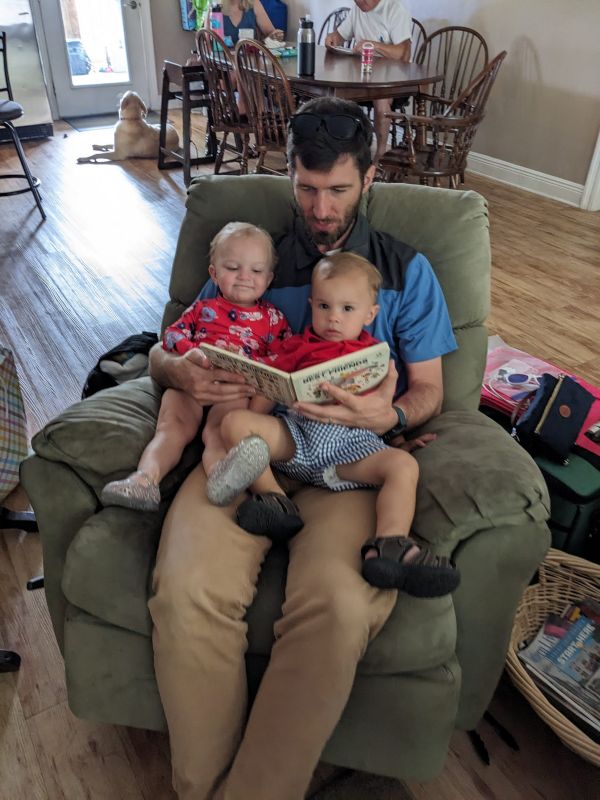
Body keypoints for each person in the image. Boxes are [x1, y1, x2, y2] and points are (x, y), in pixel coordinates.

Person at [147, 95, 457, 800]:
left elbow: (434, 391)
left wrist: (392, 409)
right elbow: (165, 350)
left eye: (338, 190)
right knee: (187, 591)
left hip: (348, 461)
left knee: (339, 610)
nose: (321, 209)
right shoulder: (250, 259)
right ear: (287, 174)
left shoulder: (407, 273)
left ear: (370, 178)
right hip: (246, 448)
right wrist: (179, 370)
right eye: (307, 188)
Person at [206, 251, 460, 596]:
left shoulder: (376, 357)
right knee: (236, 422)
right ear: (311, 305)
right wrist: (254, 422)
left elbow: (383, 413)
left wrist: (397, 440)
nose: (333, 319)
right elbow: (269, 388)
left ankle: (390, 545)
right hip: (297, 439)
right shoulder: (295, 347)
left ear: (371, 314)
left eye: (347, 309)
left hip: (351, 450)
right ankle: (276, 502)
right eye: (324, 307)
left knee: (403, 466)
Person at [101, 222, 290, 511]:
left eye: (256, 271)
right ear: (214, 274)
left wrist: (247, 365)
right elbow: (172, 335)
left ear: (269, 278)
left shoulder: (273, 319)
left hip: (233, 390)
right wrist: (195, 354)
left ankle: (220, 479)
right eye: (232, 268)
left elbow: (281, 358)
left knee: (216, 433)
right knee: (170, 428)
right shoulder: (203, 309)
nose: (244, 277)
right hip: (190, 380)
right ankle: (144, 480)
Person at [324, 0, 412, 163]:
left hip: (394, 80)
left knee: (381, 97)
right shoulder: (357, 10)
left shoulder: (394, 8)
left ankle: (380, 154)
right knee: (333, 92)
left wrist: (374, 45)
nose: (360, 2)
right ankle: (341, 151)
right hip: (363, 76)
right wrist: (332, 38)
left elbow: (403, 53)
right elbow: (340, 35)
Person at [207, 0, 284, 46]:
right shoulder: (214, 7)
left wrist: (275, 35)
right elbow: (205, 39)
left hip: (250, 63)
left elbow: (270, 32)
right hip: (221, 65)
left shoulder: (254, 3)